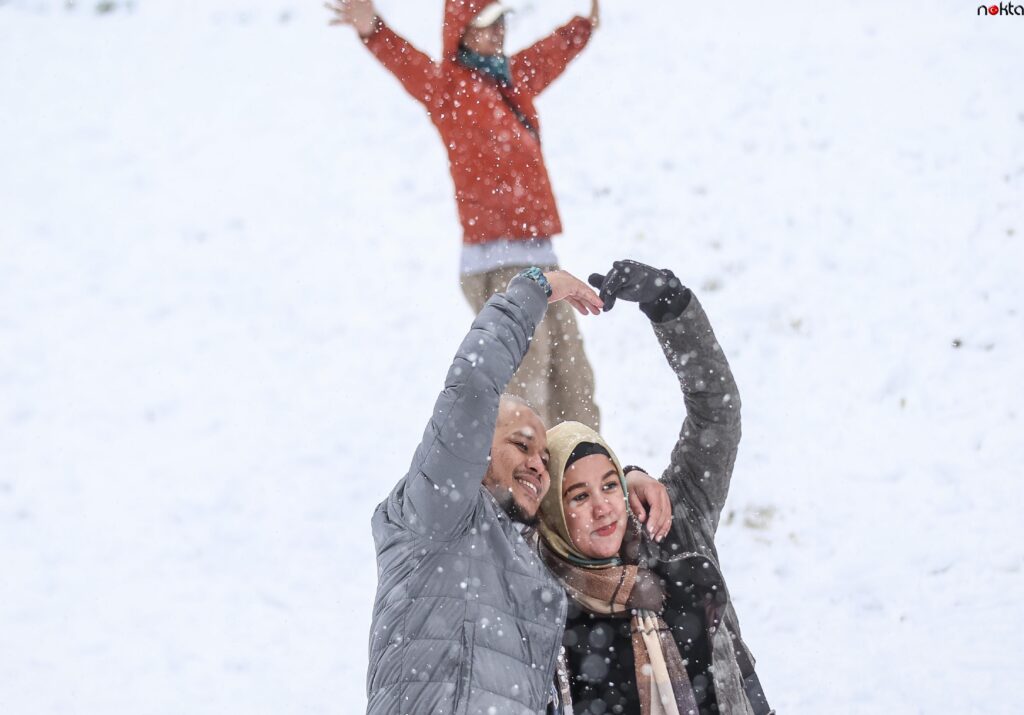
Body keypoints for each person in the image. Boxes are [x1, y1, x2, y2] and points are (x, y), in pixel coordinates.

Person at [364, 266, 673, 715]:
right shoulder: (435, 513)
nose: (537, 464)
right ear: (474, 448)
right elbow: (473, 386)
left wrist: (627, 479)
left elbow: (588, 518)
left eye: (544, 459)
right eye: (520, 445)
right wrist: (533, 289)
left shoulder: (532, 563)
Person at [327, 0, 603, 430]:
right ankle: (522, 488)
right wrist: (374, 30)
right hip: (495, 264)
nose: (497, 34)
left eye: (501, 23)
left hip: (540, 255)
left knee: (572, 375)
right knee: (527, 376)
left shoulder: (512, 80)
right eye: (485, 26)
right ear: (461, 33)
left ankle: (583, 480)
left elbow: (549, 55)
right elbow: (408, 64)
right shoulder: (449, 89)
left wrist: (582, 27)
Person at [536, 260, 773, 715]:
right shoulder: (537, 595)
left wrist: (669, 303)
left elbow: (716, 412)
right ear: (550, 513)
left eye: (609, 485)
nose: (604, 508)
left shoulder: (671, 526)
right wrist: (526, 297)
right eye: (579, 497)